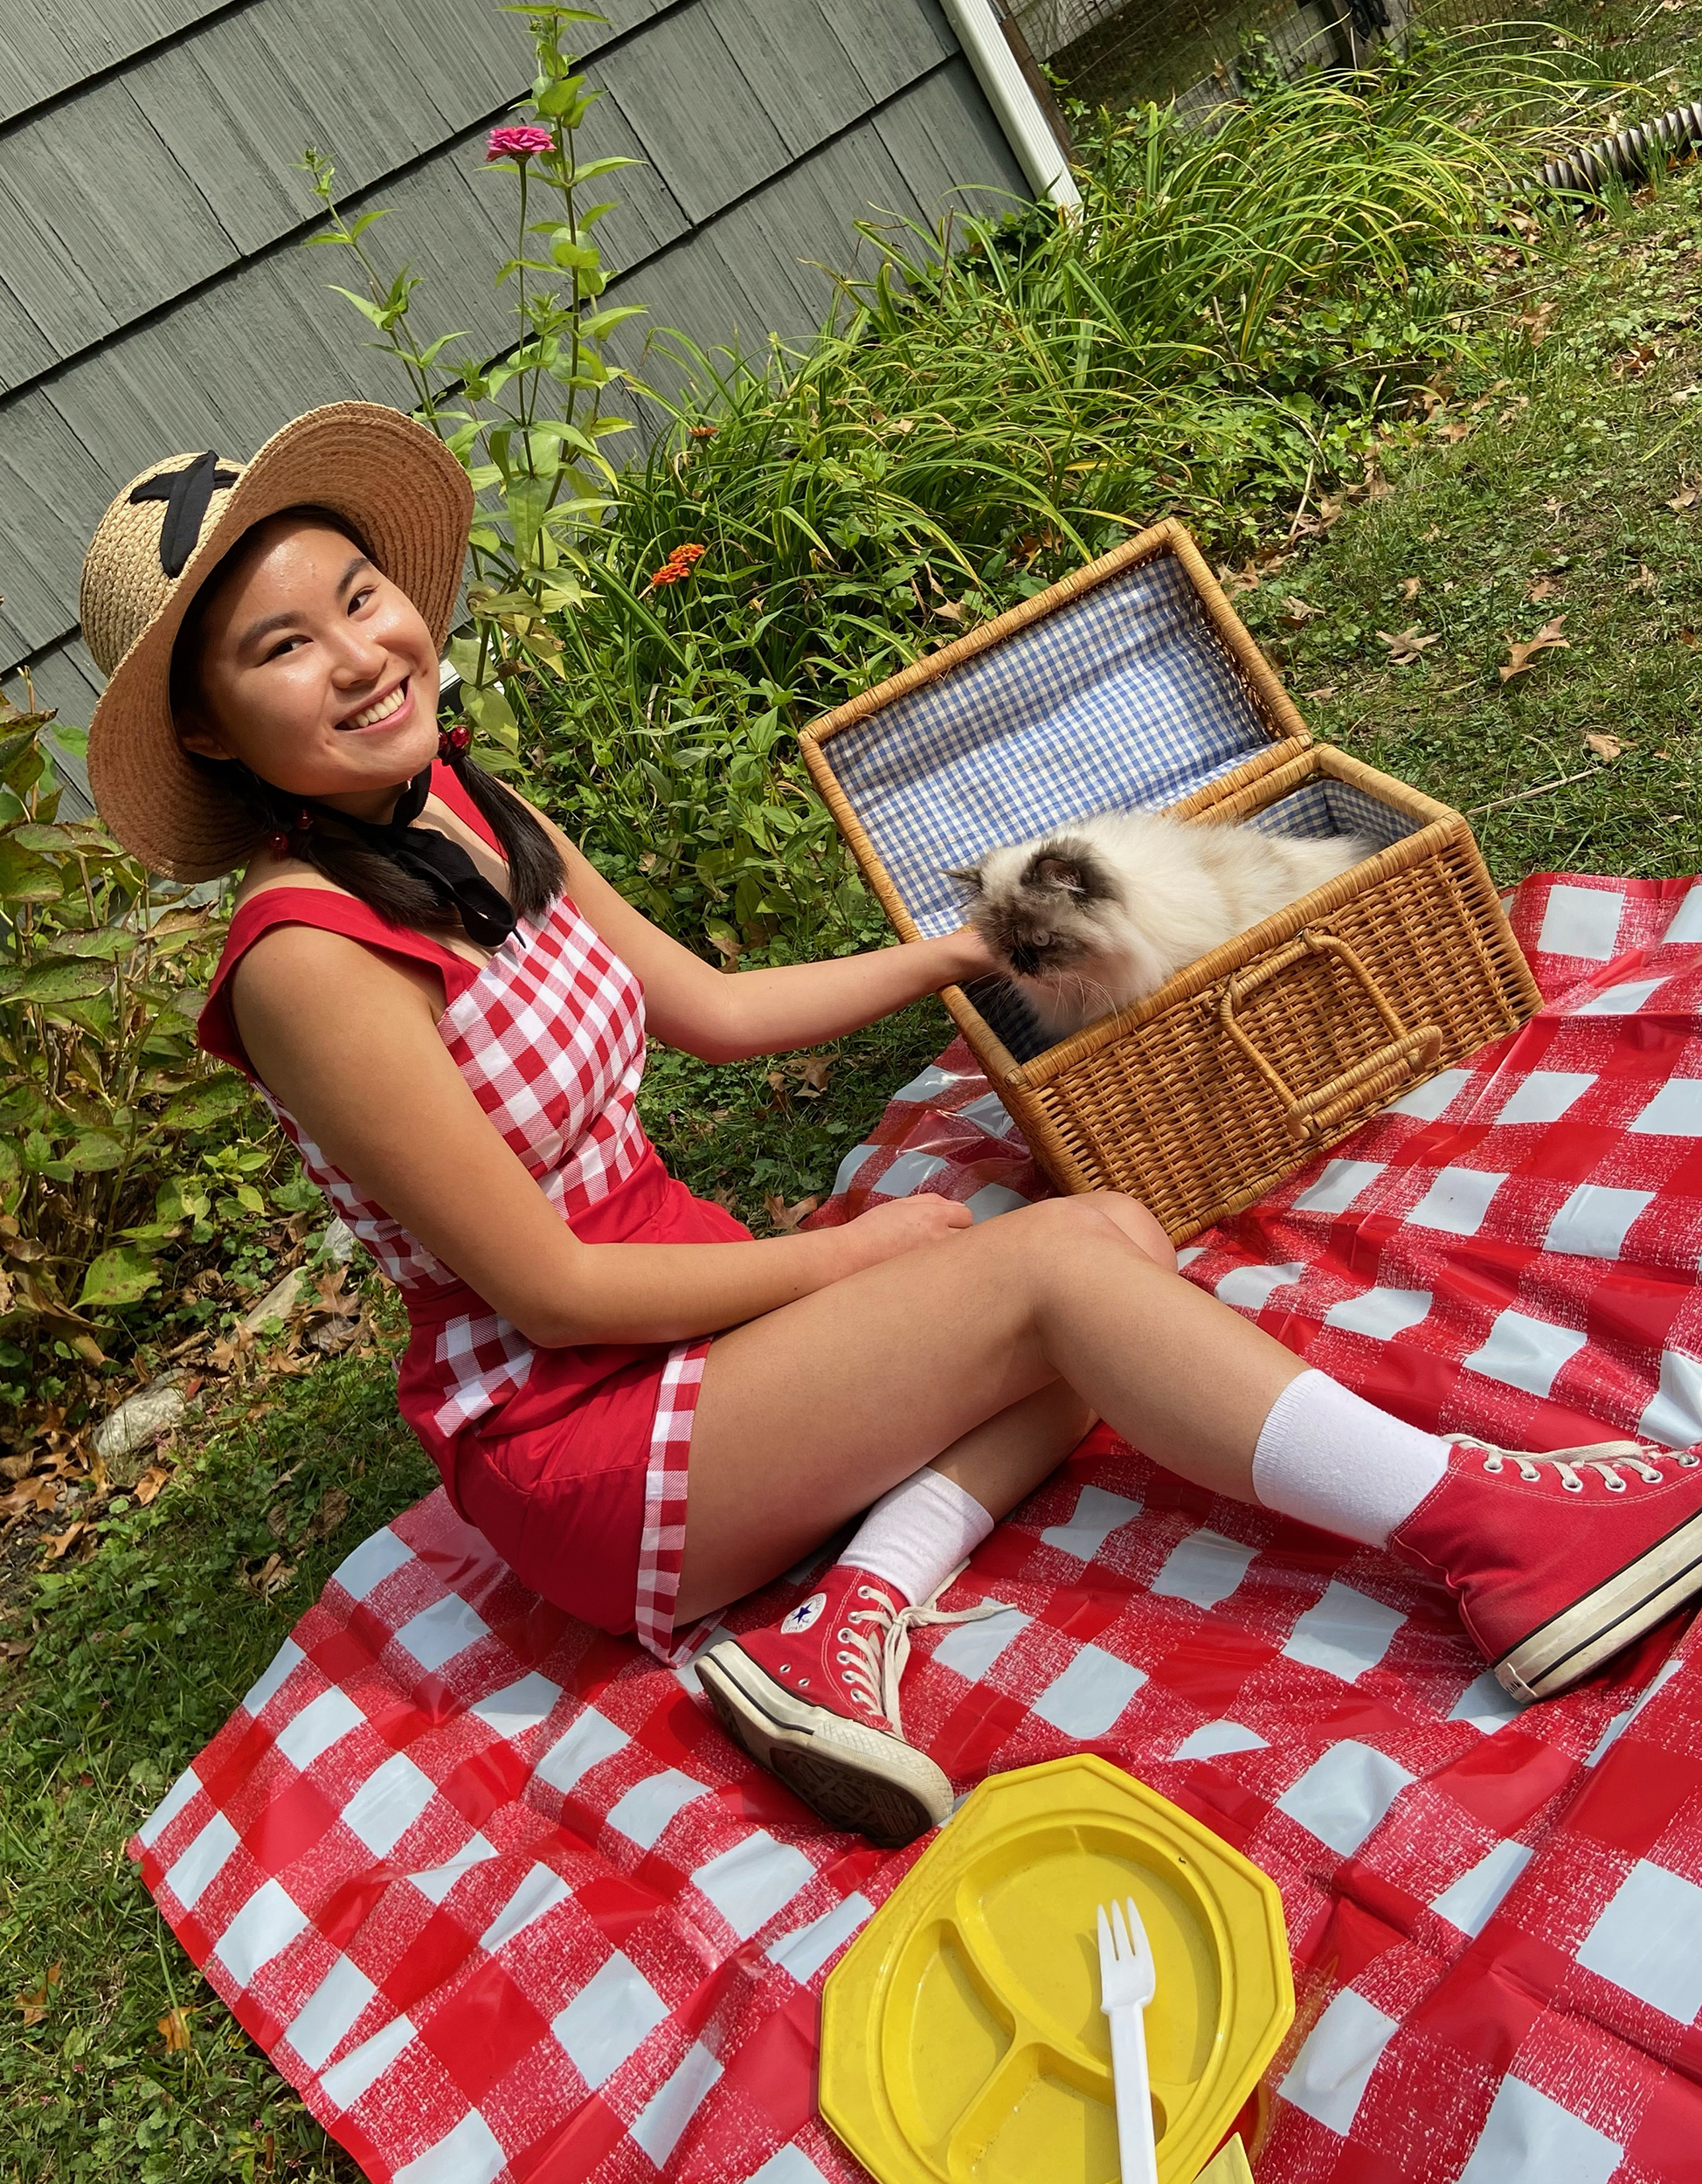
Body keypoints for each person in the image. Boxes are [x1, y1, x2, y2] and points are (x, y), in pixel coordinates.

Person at [81, 404, 1702, 1849]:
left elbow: (711, 1009)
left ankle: (847, 1614)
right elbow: (551, 1296)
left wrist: (956, 951)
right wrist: (846, 1255)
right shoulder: (309, 961)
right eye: (280, 646)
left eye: (359, 596)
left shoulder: (475, 812)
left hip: (698, 1326)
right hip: (577, 1435)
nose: (360, 654)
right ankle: (1483, 1530)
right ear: (214, 730)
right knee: (1068, 1275)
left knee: (1119, 1253)